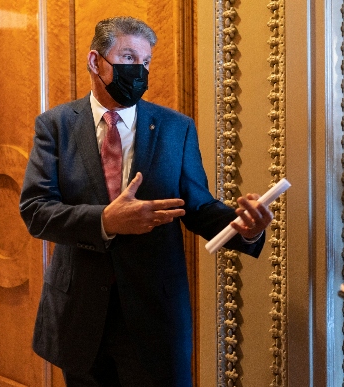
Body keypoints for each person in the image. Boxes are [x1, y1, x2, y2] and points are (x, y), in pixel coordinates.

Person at [19, 16, 273, 387]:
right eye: (128, 58)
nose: (139, 70)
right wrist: (106, 221)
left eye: (146, 62)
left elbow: (198, 207)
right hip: (81, 316)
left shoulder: (176, 128)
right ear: (96, 62)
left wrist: (245, 229)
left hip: (157, 317)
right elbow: (36, 210)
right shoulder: (55, 126)